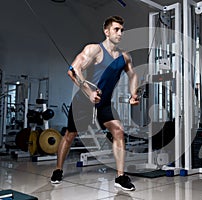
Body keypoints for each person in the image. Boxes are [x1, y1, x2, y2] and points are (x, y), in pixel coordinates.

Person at [51, 16, 139, 191]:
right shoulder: (94, 50)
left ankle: (120, 177)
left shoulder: (124, 57)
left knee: (119, 131)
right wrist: (89, 92)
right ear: (106, 31)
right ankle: (58, 169)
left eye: (122, 30)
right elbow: (73, 71)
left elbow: (133, 75)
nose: (120, 33)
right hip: (83, 102)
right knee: (70, 135)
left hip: (104, 103)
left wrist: (133, 94)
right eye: (116, 29)